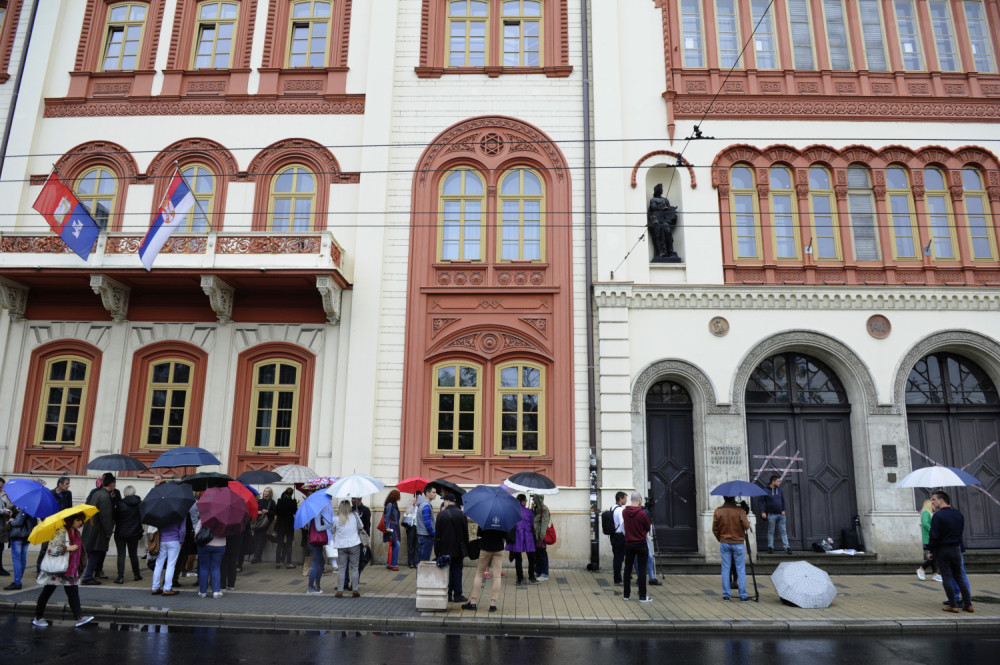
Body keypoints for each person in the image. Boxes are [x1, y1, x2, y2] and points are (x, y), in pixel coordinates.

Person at [33, 512, 94, 628]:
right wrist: (68, 548)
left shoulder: (76, 533)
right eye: (78, 520)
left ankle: (79, 617)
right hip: (57, 569)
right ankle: (38, 617)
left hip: (70, 568)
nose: (80, 523)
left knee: (73, 592)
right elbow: (52, 550)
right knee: (47, 591)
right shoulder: (61, 531)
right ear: (71, 520)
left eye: (81, 520)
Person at [928, 490, 973, 613]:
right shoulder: (959, 514)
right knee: (959, 576)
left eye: (934, 499)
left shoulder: (938, 515)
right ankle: (968, 604)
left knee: (947, 577)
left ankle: (953, 604)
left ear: (941, 500)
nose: (932, 501)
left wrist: (931, 550)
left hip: (943, 549)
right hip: (956, 548)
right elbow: (960, 532)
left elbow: (934, 535)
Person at [713, 496, 751, 601]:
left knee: (725, 569)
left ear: (724, 498)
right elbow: (747, 526)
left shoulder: (718, 511)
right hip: (738, 542)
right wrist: (744, 513)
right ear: (733, 498)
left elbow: (715, 529)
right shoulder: (739, 510)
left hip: (725, 542)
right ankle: (743, 595)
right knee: (740, 569)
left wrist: (720, 539)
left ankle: (726, 594)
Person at [462, 524, 507, 612]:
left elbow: (479, 533)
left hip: (485, 547)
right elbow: (506, 536)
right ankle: (492, 605)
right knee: (497, 576)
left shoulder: (485, 518)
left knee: (479, 574)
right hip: (499, 548)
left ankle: (473, 602)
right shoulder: (503, 519)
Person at [80, 473, 115, 585]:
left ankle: (86, 574)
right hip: (98, 531)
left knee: (90, 554)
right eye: (114, 483)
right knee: (95, 554)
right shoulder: (105, 497)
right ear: (111, 484)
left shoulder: (97, 493)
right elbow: (105, 516)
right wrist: (109, 531)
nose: (115, 485)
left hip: (90, 528)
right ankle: (87, 576)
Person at [435, 493, 469, 603]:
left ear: (448, 501)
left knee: (447, 571)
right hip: (458, 549)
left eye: (444, 501)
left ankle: (448, 594)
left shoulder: (441, 515)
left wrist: (437, 551)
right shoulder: (462, 515)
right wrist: (466, 548)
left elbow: (437, 535)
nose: (444, 503)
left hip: (445, 549)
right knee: (458, 571)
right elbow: (465, 534)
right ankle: (458, 595)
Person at [621, 491, 652, 602]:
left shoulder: (624, 512)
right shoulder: (642, 514)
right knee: (642, 570)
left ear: (630, 500)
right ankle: (642, 596)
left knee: (627, 569)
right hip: (641, 543)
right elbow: (648, 527)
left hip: (629, 544)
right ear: (640, 500)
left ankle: (626, 595)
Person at [38, 476, 73, 571]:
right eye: (66, 484)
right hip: (50, 524)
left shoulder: (68, 494)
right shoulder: (50, 493)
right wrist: (47, 522)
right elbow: (43, 510)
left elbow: (69, 509)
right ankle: (40, 568)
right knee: (46, 547)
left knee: (61, 546)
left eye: (69, 483)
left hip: (62, 524)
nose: (68, 486)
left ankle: (57, 567)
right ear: (60, 484)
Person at [192, 503, 227, 598]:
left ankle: (202, 592)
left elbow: (197, 530)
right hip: (220, 545)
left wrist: (197, 539)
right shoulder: (224, 517)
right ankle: (216, 591)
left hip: (204, 545)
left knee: (203, 568)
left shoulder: (205, 515)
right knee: (215, 567)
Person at [331, 500, 363, 597]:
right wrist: (358, 516)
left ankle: (340, 591)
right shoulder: (355, 516)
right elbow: (361, 526)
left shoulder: (336, 518)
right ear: (349, 507)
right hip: (354, 544)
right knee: (354, 568)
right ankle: (355, 589)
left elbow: (332, 530)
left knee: (341, 568)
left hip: (341, 546)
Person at [113, 485, 143, 584]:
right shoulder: (139, 503)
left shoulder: (120, 504)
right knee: (133, 554)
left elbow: (115, 517)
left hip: (121, 532)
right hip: (134, 533)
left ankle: (120, 577)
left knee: (121, 555)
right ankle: (137, 575)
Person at [507, 494, 538, 586]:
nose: (526, 502)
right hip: (527, 536)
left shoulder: (512, 511)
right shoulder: (528, 512)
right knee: (531, 558)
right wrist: (530, 511)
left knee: (518, 559)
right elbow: (532, 524)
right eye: (526, 501)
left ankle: (520, 579)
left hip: (517, 536)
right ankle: (531, 578)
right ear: (523, 501)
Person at [4, 506, 37, 590]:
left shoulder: (24, 507)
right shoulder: (33, 508)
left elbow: (18, 522)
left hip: (18, 535)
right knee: (22, 558)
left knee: (17, 559)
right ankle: (18, 580)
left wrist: (10, 522)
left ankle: (17, 582)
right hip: (27, 536)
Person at [151, 514, 184, 596]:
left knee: (158, 564)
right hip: (174, 540)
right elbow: (183, 530)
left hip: (162, 540)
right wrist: (181, 541)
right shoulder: (180, 512)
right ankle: (167, 588)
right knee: (171, 565)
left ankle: (155, 587)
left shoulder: (162, 512)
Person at [647, 183, 679, 259]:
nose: (661, 190)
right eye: (660, 189)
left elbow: (668, 209)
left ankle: (670, 251)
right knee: (657, 236)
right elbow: (653, 207)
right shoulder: (653, 200)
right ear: (657, 190)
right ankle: (660, 253)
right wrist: (662, 207)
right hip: (656, 219)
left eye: (662, 189)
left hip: (665, 220)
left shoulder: (665, 200)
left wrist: (670, 209)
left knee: (668, 232)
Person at [760, 475, 790, 554]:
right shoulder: (765, 491)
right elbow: (760, 502)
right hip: (771, 515)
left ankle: (787, 548)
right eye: (778, 481)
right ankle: (770, 547)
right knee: (771, 532)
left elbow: (783, 501)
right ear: (773, 482)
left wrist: (784, 510)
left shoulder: (780, 490)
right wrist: (762, 511)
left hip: (781, 515)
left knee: (783, 531)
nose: (780, 483)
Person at [916, 498, 941, 582]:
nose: (935, 506)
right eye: (933, 505)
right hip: (930, 538)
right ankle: (922, 569)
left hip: (931, 537)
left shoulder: (929, 513)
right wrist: (933, 531)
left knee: (934, 556)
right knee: (935, 556)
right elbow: (925, 523)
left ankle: (935, 574)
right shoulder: (926, 512)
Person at [252, 487, 277, 564]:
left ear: (270, 493)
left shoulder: (272, 502)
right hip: (258, 523)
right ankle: (258, 557)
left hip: (266, 524)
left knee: (261, 540)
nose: (265, 493)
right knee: (256, 540)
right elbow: (254, 510)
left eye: (267, 492)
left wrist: (267, 511)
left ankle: (256, 557)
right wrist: (258, 512)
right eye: (264, 491)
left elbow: (274, 513)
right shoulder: (259, 501)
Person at [274, 488, 298, 569]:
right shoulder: (293, 501)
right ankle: (288, 563)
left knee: (279, 543)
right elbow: (295, 512)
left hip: (280, 523)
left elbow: (276, 512)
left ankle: (278, 562)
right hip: (289, 524)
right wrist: (295, 503)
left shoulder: (279, 500)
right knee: (289, 543)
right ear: (291, 494)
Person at [351, 496, 372, 584]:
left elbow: (367, 525)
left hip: (361, 539)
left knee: (362, 560)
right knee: (353, 563)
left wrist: (359, 516)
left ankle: (355, 581)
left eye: (354, 499)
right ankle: (347, 582)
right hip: (351, 538)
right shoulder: (350, 510)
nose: (352, 500)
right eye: (352, 498)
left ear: (360, 499)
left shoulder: (365, 510)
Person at [415, 487, 437, 564]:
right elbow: (427, 524)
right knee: (424, 561)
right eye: (433, 492)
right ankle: (421, 576)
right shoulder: (426, 505)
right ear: (427, 493)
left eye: (435, 492)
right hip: (426, 536)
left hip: (423, 535)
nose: (435, 494)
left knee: (421, 561)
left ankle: (419, 576)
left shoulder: (423, 504)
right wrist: (434, 534)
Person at [532, 494, 550, 581]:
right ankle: (538, 571)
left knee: (542, 554)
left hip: (540, 536)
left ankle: (545, 573)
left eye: (534, 498)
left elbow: (544, 523)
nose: (533, 500)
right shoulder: (537, 509)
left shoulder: (544, 509)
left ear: (538, 499)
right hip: (536, 535)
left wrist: (542, 536)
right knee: (537, 554)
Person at [610, 491, 627, 585]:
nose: (626, 500)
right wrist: (626, 534)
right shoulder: (620, 510)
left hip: (613, 535)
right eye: (625, 498)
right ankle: (618, 579)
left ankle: (617, 577)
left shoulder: (612, 507)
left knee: (616, 557)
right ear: (621, 499)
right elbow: (623, 524)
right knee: (619, 559)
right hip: (619, 536)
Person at [383, 489, 402, 571]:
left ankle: (389, 563)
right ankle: (393, 564)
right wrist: (387, 527)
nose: (400, 497)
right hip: (391, 527)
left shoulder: (394, 504)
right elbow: (386, 517)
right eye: (398, 495)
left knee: (393, 545)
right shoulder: (390, 505)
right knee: (396, 544)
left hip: (395, 526)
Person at [402, 495, 419, 568]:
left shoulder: (422, 504)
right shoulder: (410, 503)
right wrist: (413, 505)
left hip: (418, 526)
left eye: (419, 497)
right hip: (411, 526)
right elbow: (408, 512)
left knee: (417, 545)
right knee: (410, 545)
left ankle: (416, 562)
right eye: (417, 497)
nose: (417, 498)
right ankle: (410, 562)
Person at [0, 478, 10, 576]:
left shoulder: (3, 495)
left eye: (2, 486)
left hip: (2, 524)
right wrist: (3, 511)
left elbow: (6, 506)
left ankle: (0, 567)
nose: (1, 488)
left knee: (1, 546)